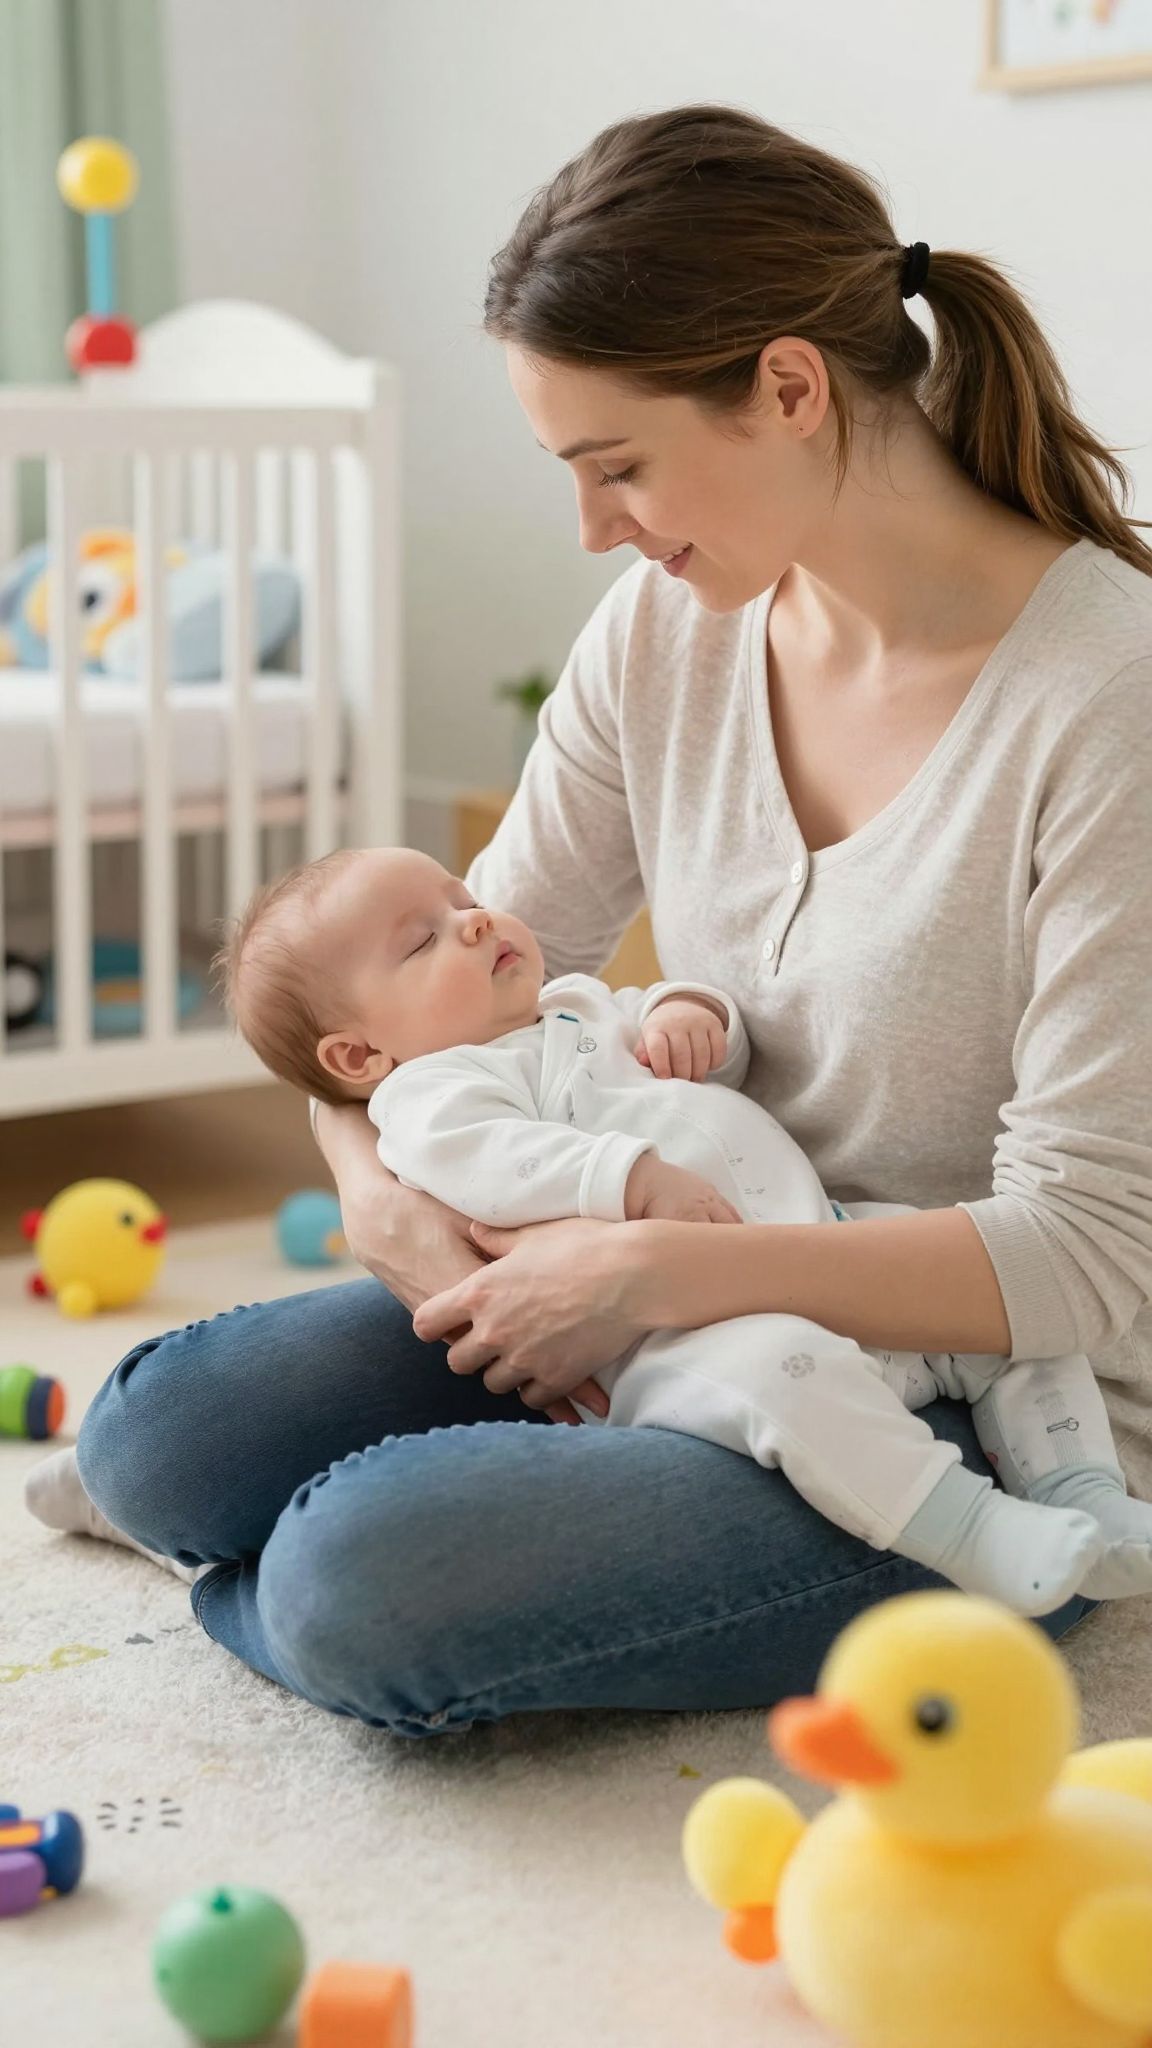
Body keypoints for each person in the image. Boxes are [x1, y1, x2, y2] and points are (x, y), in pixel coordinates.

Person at [61, 104, 1151, 1736]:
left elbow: (1087, 1255)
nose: (595, 531)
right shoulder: (667, 632)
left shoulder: (1104, 699)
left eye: (616, 467)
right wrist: (385, 1202)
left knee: (354, 1581)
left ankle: (990, 1571)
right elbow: (412, 1007)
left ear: (788, 387)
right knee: (161, 1436)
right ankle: (499, 1516)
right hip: (649, 1314)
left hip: (968, 1401)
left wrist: (642, 1264)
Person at [201, 841, 1152, 1613]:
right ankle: (972, 1530)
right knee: (787, 1383)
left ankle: (1082, 1492)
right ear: (361, 1053)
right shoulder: (433, 1090)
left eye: (464, 898)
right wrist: (630, 1176)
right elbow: (480, 1158)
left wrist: (690, 1012)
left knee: (1017, 1336)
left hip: (831, 1242)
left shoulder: (568, 1007)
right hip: (692, 1337)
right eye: (424, 941)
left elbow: (665, 1028)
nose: (476, 919)